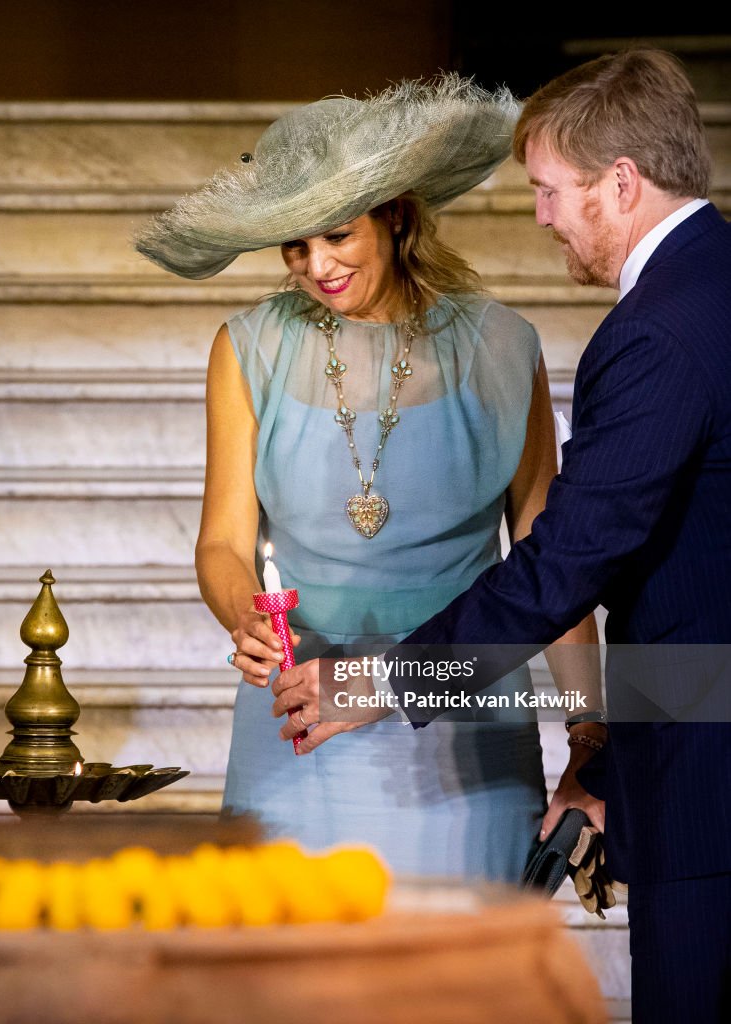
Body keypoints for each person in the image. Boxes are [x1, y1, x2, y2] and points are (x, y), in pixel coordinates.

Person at [274, 50, 731, 1023]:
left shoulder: (656, 330)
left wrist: (379, 681)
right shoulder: (713, 289)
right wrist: (599, 761)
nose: (539, 215)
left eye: (548, 190)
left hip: (707, 786)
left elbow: (564, 562)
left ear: (619, 182)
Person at [136, 76, 601, 880]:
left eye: (338, 236)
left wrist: (589, 736)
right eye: (295, 244)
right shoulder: (247, 347)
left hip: (465, 723)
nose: (316, 266)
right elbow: (221, 541)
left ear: (395, 214)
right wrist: (243, 615)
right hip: (298, 719)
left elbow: (545, 558)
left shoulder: (504, 347)